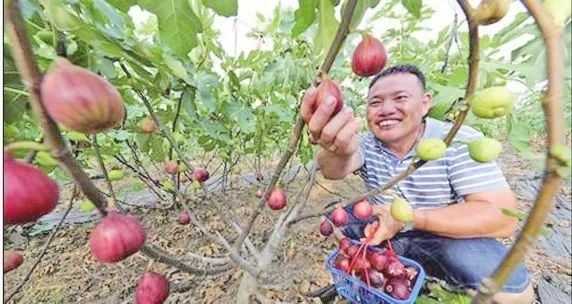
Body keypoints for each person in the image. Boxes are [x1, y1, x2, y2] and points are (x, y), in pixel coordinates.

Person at [301, 64, 534, 303]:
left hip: (438, 235)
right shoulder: (368, 144)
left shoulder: (456, 141)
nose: (386, 109)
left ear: (425, 103)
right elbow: (333, 169)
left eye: (400, 98)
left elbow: (503, 217)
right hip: (382, 228)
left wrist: (409, 218)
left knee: (513, 291)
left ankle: (430, 282)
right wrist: (336, 151)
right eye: (375, 102)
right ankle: (376, 272)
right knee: (334, 220)